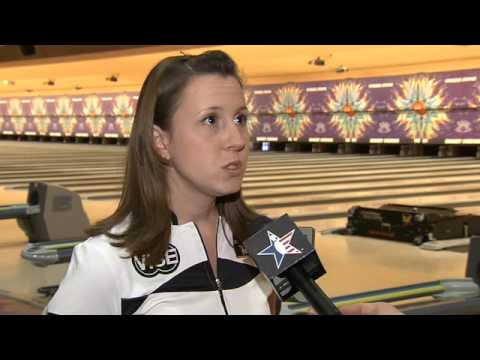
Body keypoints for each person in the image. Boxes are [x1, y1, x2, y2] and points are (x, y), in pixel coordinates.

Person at [45, 50, 401, 315]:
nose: (237, 139)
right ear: (161, 141)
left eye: (240, 118)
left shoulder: (266, 237)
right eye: (211, 120)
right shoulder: (106, 260)